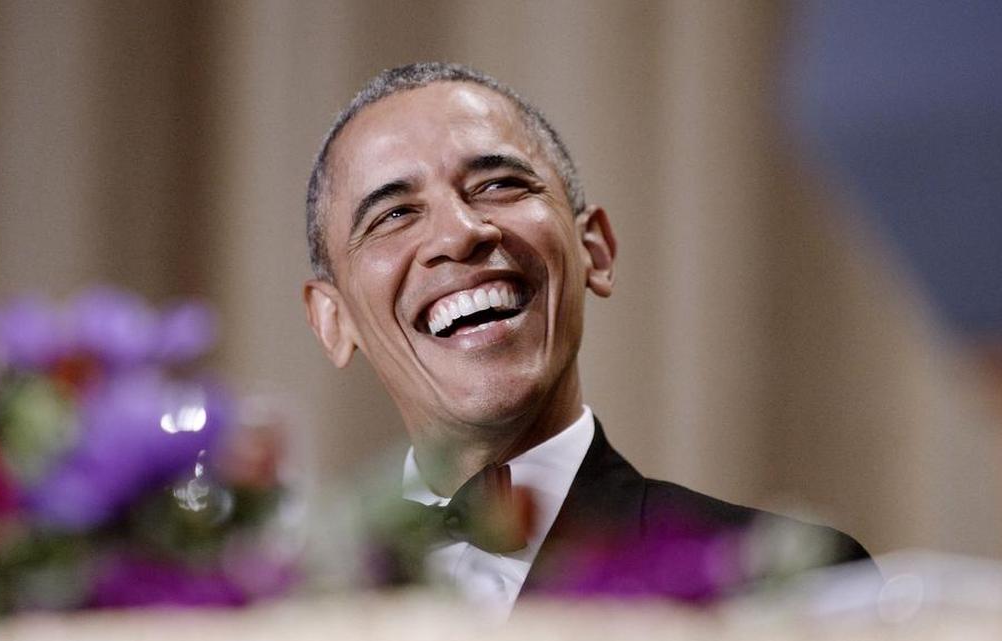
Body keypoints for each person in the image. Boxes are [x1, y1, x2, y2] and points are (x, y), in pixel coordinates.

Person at [302, 62, 870, 618]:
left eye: (499, 184)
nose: (459, 233)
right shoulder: (278, 605)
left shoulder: (785, 586)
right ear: (333, 320)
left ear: (593, 251)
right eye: (395, 214)